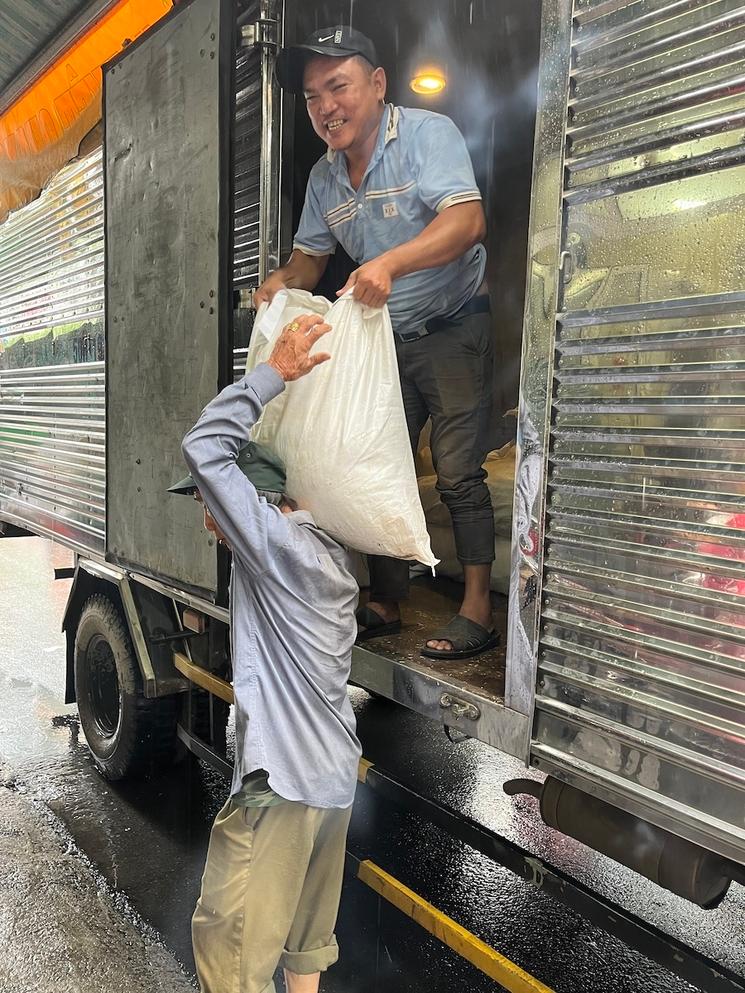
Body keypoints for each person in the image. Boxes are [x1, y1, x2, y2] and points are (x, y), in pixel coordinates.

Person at [255, 25, 497, 660]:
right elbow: (310, 260)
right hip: (383, 340)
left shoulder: (425, 136)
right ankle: (387, 600)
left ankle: (476, 607)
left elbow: (467, 220)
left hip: (451, 324)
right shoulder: (324, 177)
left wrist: (390, 263)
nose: (326, 107)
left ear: (378, 84)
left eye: (338, 87)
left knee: (456, 470)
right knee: (375, 458)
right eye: (313, 97)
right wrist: (281, 282)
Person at [169, 314, 362, 993]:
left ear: (250, 501)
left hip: (281, 786)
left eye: (209, 501)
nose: (206, 516)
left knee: (229, 950)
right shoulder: (326, 555)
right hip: (331, 779)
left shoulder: (276, 549)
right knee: (304, 947)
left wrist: (273, 374)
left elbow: (204, 446)